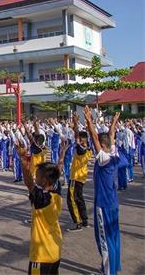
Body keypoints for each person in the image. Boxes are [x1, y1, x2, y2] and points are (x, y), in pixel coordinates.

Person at [15, 133, 62, 275]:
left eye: (39, 176)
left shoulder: (42, 200)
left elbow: (29, 183)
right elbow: (57, 170)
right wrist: (62, 155)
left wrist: (23, 160)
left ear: (46, 180)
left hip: (41, 255)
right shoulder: (56, 193)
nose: (36, 177)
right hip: (55, 251)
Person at [84, 107, 122, 275]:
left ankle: (108, 272)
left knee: (104, 240)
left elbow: (94, 137)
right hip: (113, 203)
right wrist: (113, 123)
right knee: (114, 237)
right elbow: (111, 137)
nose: (95, 147)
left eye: (99, 144)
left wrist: (89, 121)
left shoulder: (104, 159)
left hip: (103, 204)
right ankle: (113, 267)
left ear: (103, 145)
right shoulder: (114, 154)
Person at [66, 112, 91, 232]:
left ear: (82, 140)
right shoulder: (88, 148)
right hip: (81, 177)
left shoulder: (82, 149)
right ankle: (85, 220)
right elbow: (77, 136)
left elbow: (76, 136)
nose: (78, 140)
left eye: (80, 139)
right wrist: (76, 124)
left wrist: (75, 123)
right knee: (80, 199)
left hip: (75, 178)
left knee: (72, 200)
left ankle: (78, 222)